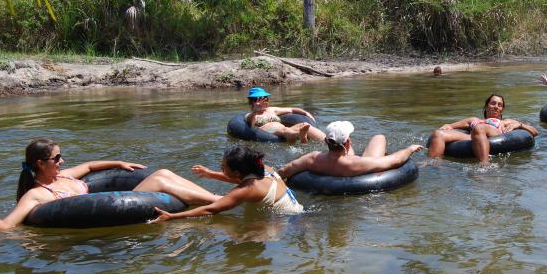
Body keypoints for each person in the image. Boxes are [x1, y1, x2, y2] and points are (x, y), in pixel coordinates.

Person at [0, 139, 221, 231]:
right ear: (40, 163)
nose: (63, 161)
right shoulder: (37, 195)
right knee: (159, 178)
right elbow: (7, 225)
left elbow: (91, 166)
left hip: (123, 197)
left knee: (164, 172)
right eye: (57, 158)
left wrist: (120, 163)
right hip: (118, 205)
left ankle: (216, 198)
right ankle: (221, 202)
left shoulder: (66, 176)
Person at [151, 144, 303, 222]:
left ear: (237, 171)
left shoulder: (245, 190)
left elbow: (210, 210)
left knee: (233, 235)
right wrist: (211, 174)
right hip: (297, 212)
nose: (221, 168)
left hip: (284, 222)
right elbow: (240, 178)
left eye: (223, 167)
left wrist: (172, 217)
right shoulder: (262, 169)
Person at [277, 121, 423, 178]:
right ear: (347, 142)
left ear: (326, 141)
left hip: (328, 164)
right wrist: (410, 148)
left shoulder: (312, 158)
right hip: (351, 167)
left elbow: (285, 170)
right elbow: (396, 160)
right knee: (379, 137)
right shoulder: (358, 163)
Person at [426, 94, 539, 163]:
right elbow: (451, 126)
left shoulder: (505, 121)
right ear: (486, 106)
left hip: (493, 134)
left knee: (479, 129)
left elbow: (535, 132)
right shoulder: (474, 120)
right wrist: (448, 126)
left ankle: (484, 165)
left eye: (499, 105)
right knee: (438, 134)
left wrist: (520, 125)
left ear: (502, 110)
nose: (496, 107)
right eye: (493, 103)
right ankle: (433, 164)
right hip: (471, 137)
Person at [245, 86, 325, 143]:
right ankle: (300, 135)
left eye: (265, 98)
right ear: (252, 102)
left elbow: (291, 109)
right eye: (259, 100)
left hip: (283, 129)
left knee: (305, 124)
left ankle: (328, 141)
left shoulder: (272, 110)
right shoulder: (250, 115)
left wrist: (306, 113)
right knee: (286, 130)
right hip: (269, 131)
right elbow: (251, 122)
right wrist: (256, 109)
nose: (264, 101)